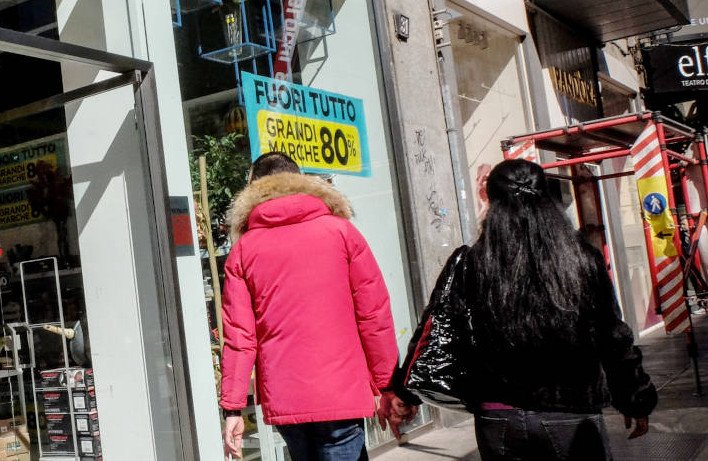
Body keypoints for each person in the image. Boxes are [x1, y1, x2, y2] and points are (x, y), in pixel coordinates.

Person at [383, 159, 657, 459]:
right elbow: (612, 336)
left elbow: (438, 330)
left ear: (491, 202)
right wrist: (635, 398)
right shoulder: (581, 259)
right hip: (571, 410)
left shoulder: (472, 262)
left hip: (499, 415)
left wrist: (404, 393)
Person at [220, 152, 398, 460]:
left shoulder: (244, 250)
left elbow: (240, 337)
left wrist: (233, 408)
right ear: (301, 181)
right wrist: (388, 386)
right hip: (341, 392)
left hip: (285, 397)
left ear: (253, 188)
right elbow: (373, 316)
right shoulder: (342, 232)